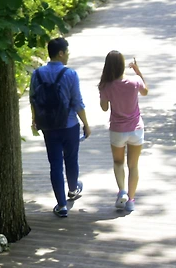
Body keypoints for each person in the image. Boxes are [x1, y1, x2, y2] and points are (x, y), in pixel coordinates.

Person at [30, 37, 91, 217]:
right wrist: (86, 124)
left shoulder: (37, 74)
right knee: (71, 159)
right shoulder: (70, 74)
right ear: (61, 53)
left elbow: (33, 99)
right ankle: (73, 189)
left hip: (48, 126)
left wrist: (35, 120)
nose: (68, 55)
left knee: (55, 164)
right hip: (69, 124)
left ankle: (61, 205)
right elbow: (77, 103)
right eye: (67, 52)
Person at [98, 50, 148, 213]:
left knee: (118, 163)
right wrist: (138, 71)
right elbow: (145, 91)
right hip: (136, 130)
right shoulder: (135, 81)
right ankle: (131, 201)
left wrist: (103, 92)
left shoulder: (106, 85)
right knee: (133, 166)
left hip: (117, 130)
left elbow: (104, 108)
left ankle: (122, 192)